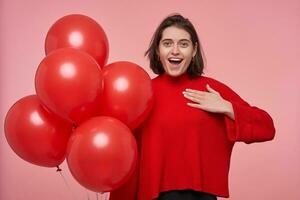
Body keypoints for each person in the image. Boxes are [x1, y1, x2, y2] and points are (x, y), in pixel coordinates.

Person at [109, 14, 275, 200]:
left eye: (183, 44)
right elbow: (128, 159)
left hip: (201, 196)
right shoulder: (142, 94)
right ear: (158, 50)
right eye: (167, 43)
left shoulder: (211, 90)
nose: (175, 51)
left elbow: (267, 128)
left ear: (194, 50)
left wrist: (227, 107)